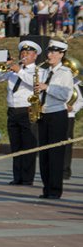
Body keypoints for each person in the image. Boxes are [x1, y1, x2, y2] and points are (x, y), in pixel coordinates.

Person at [0, 40, 42, 185]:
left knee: (28, 145)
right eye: (22, 53)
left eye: (28, 53)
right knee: (16, 145)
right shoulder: (15, 69)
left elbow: (34, 83)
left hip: (27, 110)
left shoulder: (38, 70)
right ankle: (17, 176)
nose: (24, 55)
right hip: (13, 110)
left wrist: (19, 71)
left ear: (35, 56)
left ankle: (27, 178)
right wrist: (7, 67)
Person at [36, 40, 74, 199]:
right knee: (44, 155)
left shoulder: (65, 73)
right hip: (43, 113)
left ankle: (55, 190)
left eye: (54, 52)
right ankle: (46, 188)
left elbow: (65, 95)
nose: (50, 55)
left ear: (61, 54)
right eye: (49, 52)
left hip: (57, 115)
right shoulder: (44, 71)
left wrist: (47, 88)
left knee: (55, 154)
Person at [64, 75, 82, 180]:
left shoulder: (75, 82)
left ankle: (65, 171)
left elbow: (80, 100)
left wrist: (73, 108)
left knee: (66, 145)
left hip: (68, 116)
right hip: (52, 114)